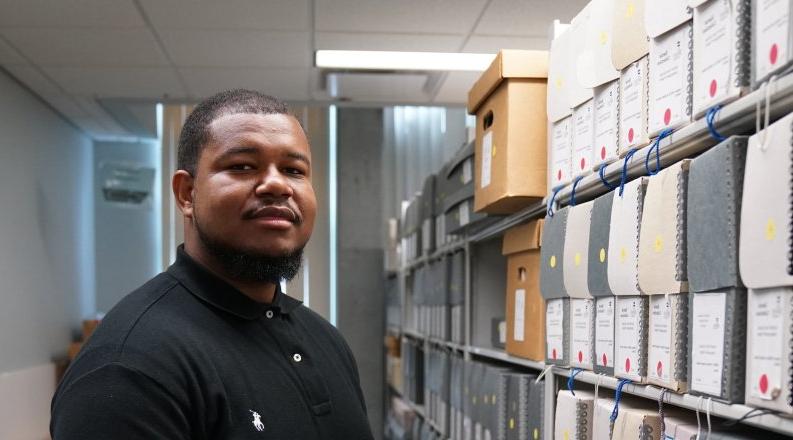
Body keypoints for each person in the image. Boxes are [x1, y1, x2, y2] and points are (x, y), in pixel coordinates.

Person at [50, 90, 374, 439]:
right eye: (242, 166)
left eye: (294, 170)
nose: (277, 184)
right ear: (187, 194)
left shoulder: (326, 340)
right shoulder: (128, 368)